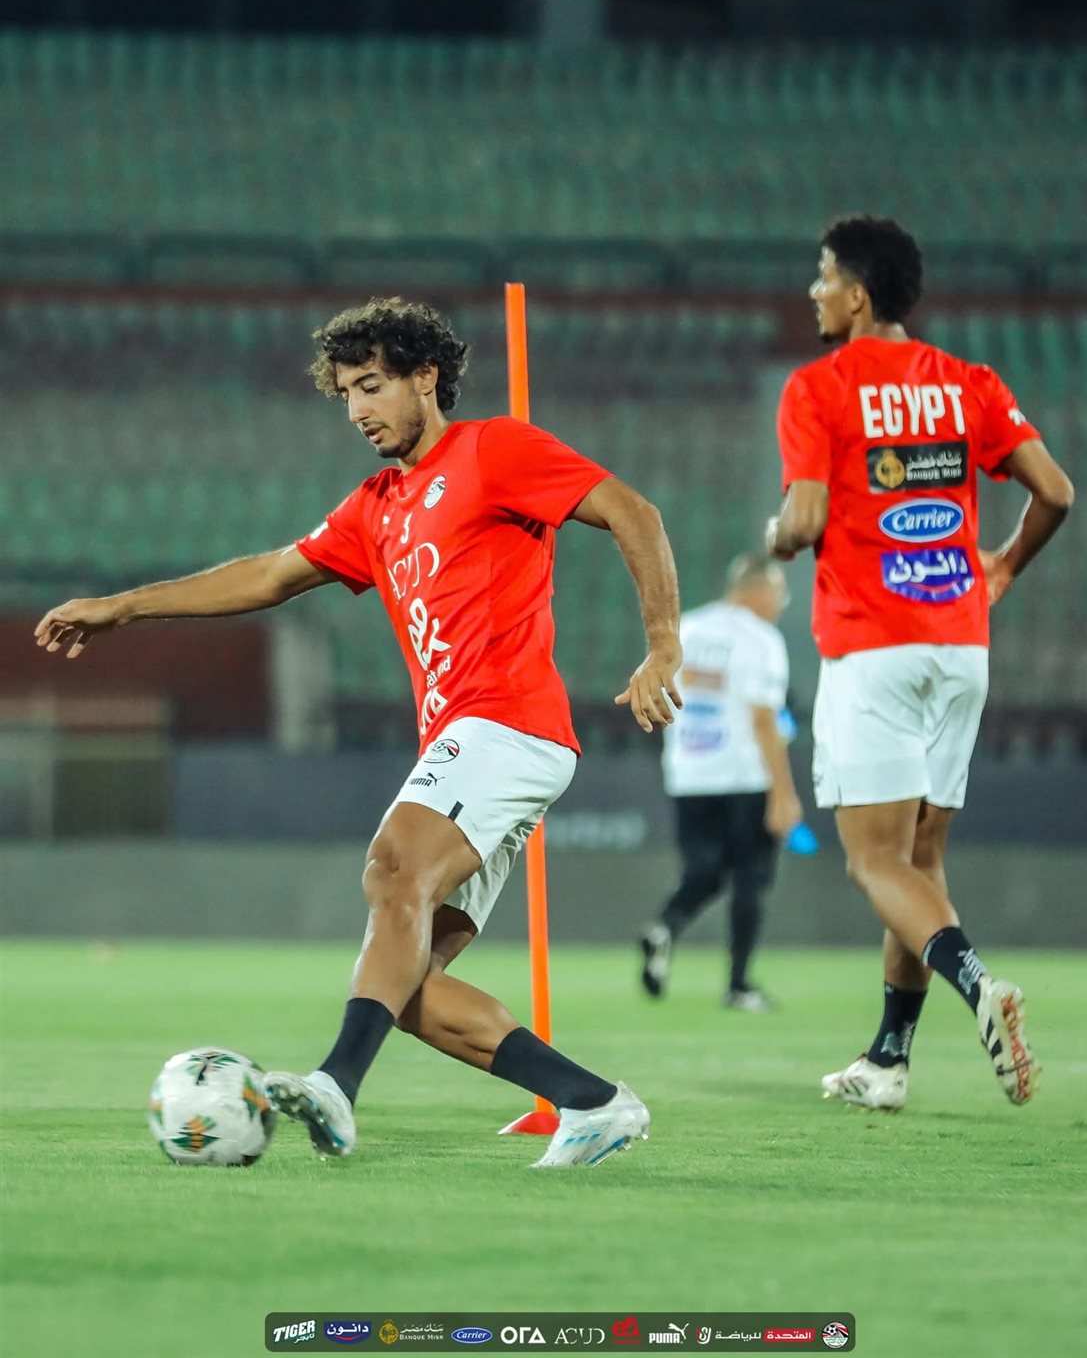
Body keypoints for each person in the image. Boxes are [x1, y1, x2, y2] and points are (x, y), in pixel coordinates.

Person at [36, 296, 684, 1166]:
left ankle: (336, 1088)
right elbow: (269, 575)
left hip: (505, 720)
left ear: (427, 377)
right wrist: (123, 608)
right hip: (477, 740)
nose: (356, 410)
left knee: (390, 870)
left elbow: (635, 512)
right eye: (345, 393)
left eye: (372, 385)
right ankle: (595, 1104)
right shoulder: (377, 505)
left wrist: (663, 645)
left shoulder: (492, 450)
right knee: (406, 984)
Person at [766, 216, 1074, 1112]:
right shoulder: (968, 383)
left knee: (874, 864)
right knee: (919, 863)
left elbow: (806, 519)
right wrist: (1001, 568)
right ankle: (888, 1060)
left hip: (874, 648)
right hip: (960, 647)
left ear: (858, 295)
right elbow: (1056, 492)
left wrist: (779, 535)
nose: (815, 291)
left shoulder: (819, 386)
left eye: (824, 277)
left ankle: (980, 985)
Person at [639, 554, 803, 1011]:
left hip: (690, 775)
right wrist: (783, 794)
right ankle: (739, 985)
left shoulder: (686, 629)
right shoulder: (762, 640)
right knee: (752, 878)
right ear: (759, 590)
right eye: (779, 592)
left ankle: (665, 927)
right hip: (744, 775)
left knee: (704, 873)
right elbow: (764, 719)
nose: (782, 602)